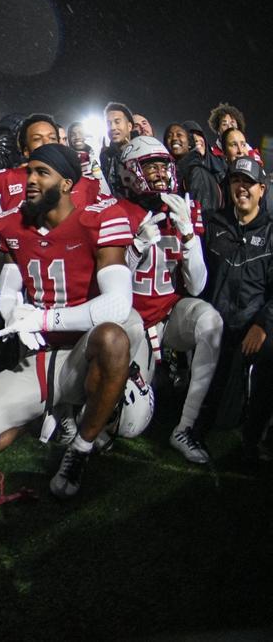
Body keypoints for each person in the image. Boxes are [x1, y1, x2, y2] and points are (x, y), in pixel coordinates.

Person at [0, 144, 140, 499]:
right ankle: (54, 413)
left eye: (43, 173)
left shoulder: (98, 218)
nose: (30, 180)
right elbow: (11, 283)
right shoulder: (13, 223)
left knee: (114, 337)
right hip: (40, 356)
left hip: (85, 347)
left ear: (68, 183)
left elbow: (119, 303)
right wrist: (12, 311)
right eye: (29, 171)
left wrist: (41, 318)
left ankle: (81, 448)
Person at [116, 136, 221, 463]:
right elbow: (112, 282)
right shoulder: (119, 211)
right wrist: (137, 247)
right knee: (127, 425)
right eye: (151, 166)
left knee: (210, 321)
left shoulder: (183, 207)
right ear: (129, 173)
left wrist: (188, 236)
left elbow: (197, 285)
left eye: (163, 165)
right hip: (131, 321)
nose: (160, 173)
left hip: (170, 317)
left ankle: (184, 427)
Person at [201, 157, 273, 461]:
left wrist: (263, 324)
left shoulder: (271, 233)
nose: (241, 188)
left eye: (248, 182)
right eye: (235, 181)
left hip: (250, 326)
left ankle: (254, 437)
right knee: (218, 416)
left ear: (262, 189)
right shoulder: (212, 223)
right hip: (213, 323)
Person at [164, 122, 223, 212]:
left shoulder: (196, 171)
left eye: (179, 135)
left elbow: (203, 213)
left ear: (190, 143)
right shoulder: (177, 171)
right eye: (169, 136)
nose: (174, 138)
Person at [100, 102, 134, 197]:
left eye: (117, 122)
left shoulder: (143, 151)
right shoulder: (105, 156)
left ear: (129, 126)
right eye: (108, 123)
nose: (112, 127)